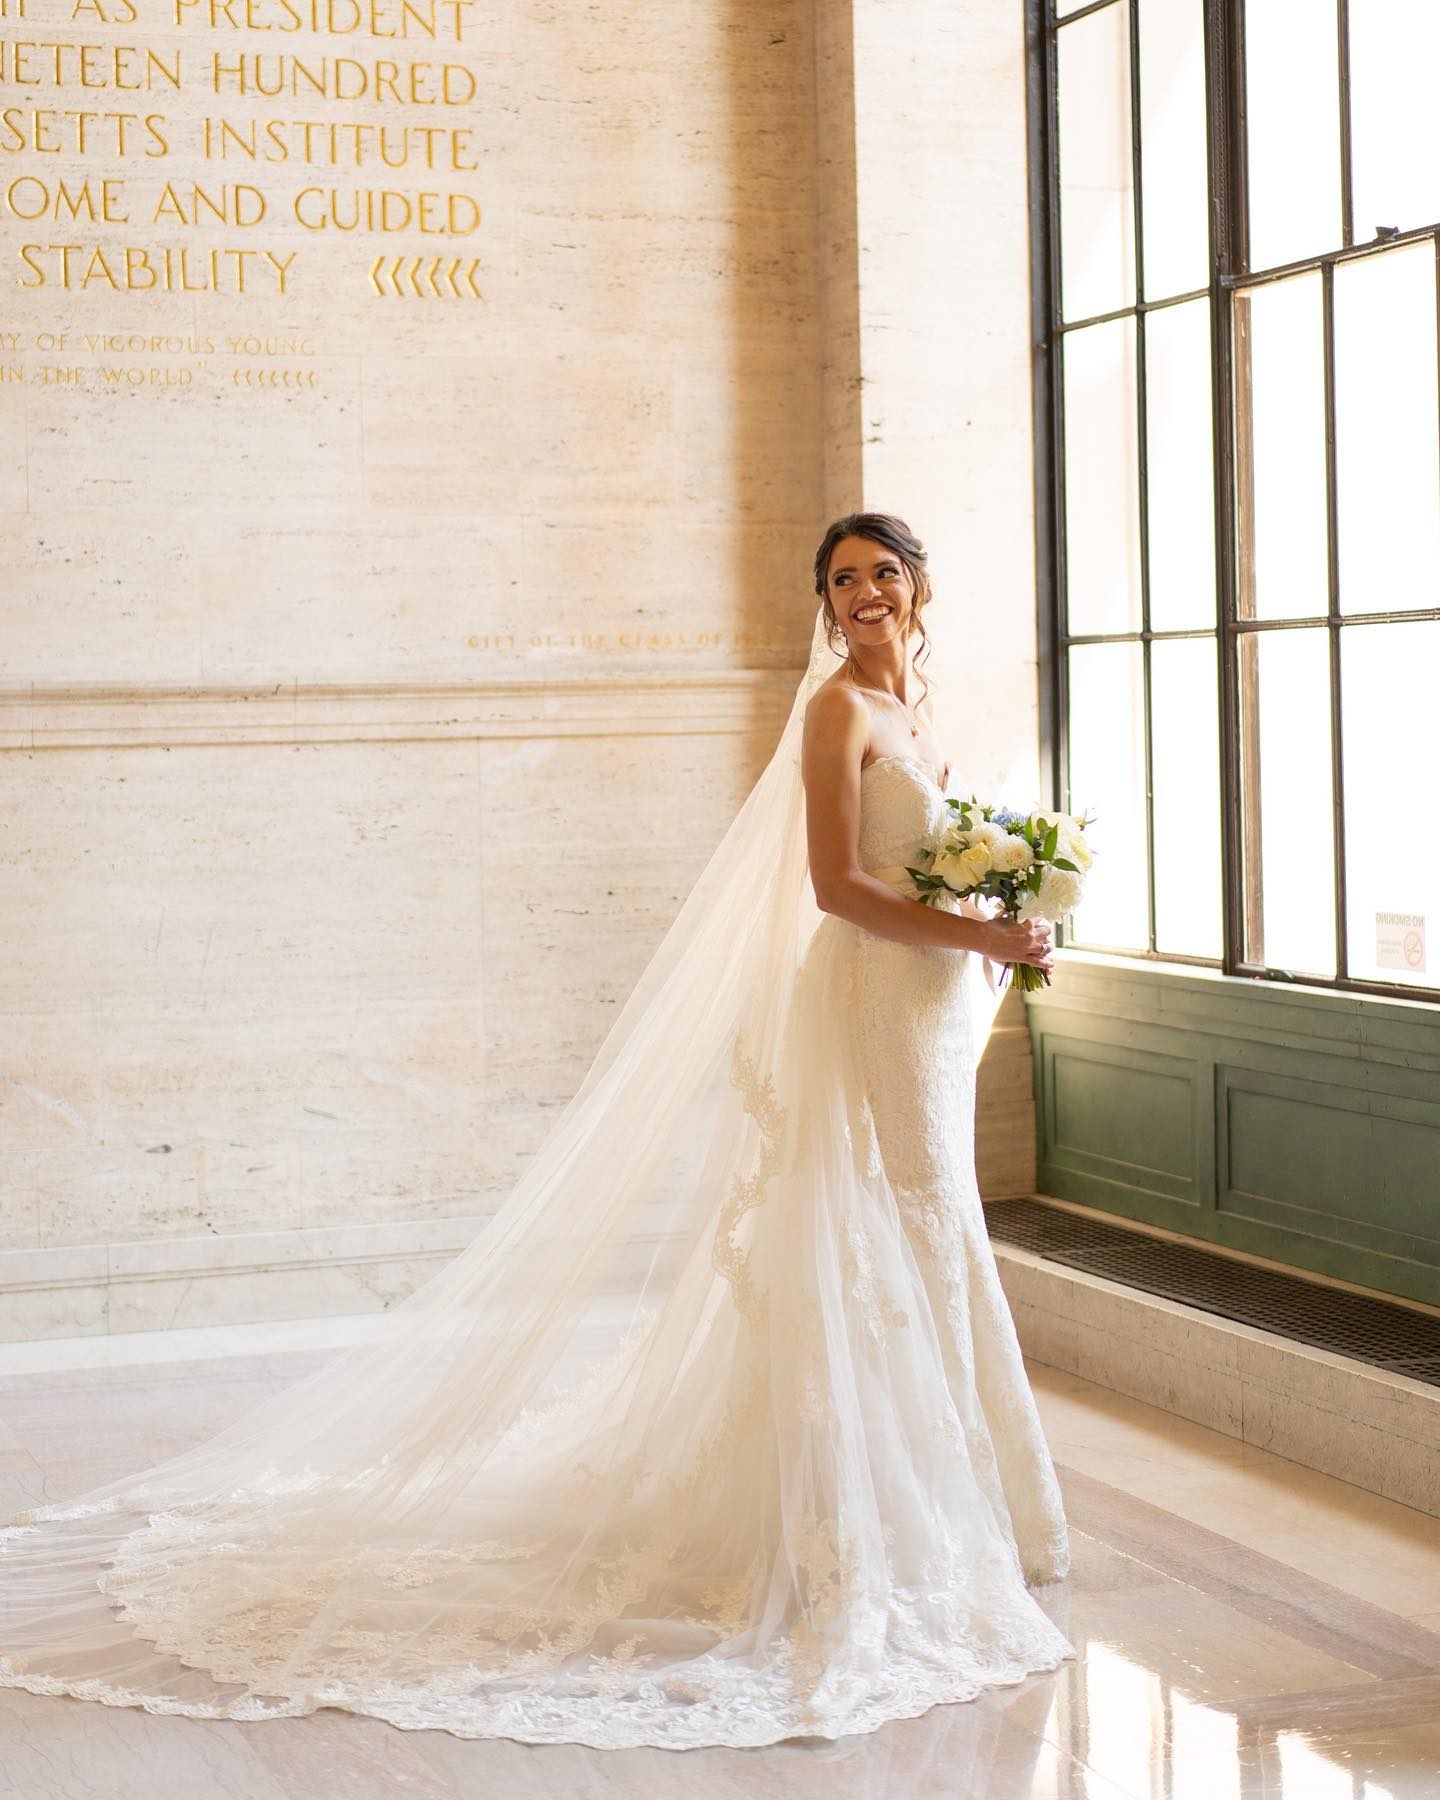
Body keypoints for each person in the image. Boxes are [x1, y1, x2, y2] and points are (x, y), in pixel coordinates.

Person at [0, 512, 1074, 1750]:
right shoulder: (840, 713)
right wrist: (981, 934)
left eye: (884, 573)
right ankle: (884, 1523)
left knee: (929, 1229)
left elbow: (930, 864)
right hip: (876, 998)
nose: (867, 594)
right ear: (825, 607)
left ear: (919, 584)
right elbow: (837, 887)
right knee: (901, 1229)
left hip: (935, 1005)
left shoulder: (923, 710)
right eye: (844, 581)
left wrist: (1005, 918)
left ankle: (966, 1505)